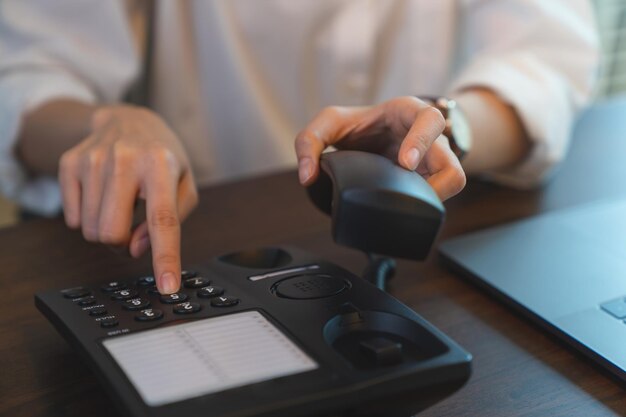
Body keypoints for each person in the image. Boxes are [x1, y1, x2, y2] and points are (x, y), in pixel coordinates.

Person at [0, 1, 598, 293]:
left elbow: (542, 58)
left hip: (425, 266)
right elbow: (30, 68)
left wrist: (444, 128)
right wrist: (105, 122)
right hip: (198, 239)